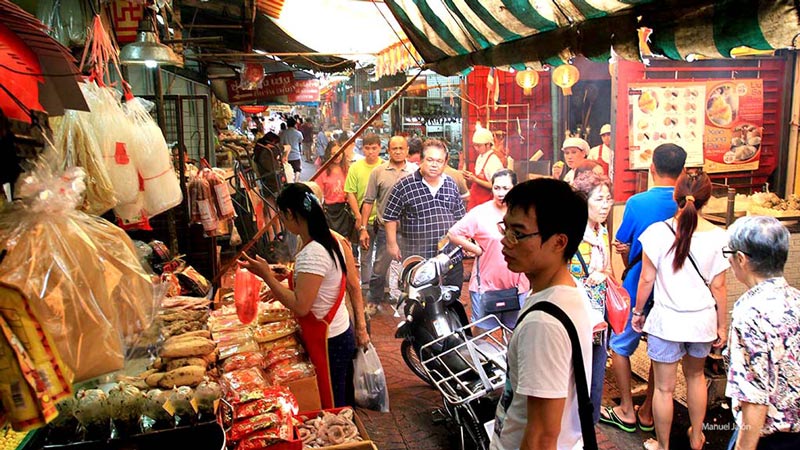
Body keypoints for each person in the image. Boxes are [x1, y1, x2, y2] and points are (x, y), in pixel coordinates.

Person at [239, 183, 367, 409]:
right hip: (337, 331)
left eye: (282, 215)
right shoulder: (330, 240)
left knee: (333, 405)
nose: (284, 222)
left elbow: (301, 306)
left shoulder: (313, 252)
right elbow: (319, 283)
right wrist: (283, 276)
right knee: (340, 398)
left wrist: (266, 276)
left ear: (289, 213)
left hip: (329, 340)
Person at [490, 178, 592, 450]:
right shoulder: (565, 291)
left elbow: (542, 437)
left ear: (558, 242)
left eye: (518, 233)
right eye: (506, 228)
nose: (505, 241)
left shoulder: (543, 324)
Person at [631, 171, 729, 450]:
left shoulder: (656, 233)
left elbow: (646, 279)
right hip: (702, 322)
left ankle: (663, 446)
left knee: (664, 388)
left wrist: (638, 312)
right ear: (707, 200)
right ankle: (697, 436)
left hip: (667, 322)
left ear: (676, 196)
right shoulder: (719, 237)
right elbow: (719, 287)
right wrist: (722, 326)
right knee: (696, 377)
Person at [600, 143, 687, 434]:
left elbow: (625, 245)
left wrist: (625, 255)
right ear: (683, 171)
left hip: (638, 282)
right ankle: (649, 410)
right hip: (673, 286)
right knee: (660, 351)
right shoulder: (687, 203)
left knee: (619, 345)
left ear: (652, 168)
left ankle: (626, 408)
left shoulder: (637, 203)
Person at [724, 216, 800, 450]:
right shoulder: (796, 299)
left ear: (741, 259)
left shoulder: (749, 313)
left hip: (767, 439)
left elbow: (754, 398)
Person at [383, 139, 467, 299]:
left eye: (439, 161)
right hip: (419, 258)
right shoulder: (404, 186)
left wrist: (466, 243)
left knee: (451, 300)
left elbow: (460, 218)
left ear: (445, 163)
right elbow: (390, 216)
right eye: (430, 160)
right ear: (421, 160)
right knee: (418, 303)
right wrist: (392, 244)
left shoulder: (450, 184)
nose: (434, 165)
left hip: (450, 256)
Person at [448, 169, 529, 329]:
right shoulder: (480, 212)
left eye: (506, 188)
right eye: (496, 188)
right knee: (483, 332)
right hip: (485, 286)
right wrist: (476, 249)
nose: (500, 193)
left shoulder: (525, 213)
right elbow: (453, 233)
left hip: (519, 286)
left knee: (517, 331)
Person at [569, 171, 614, 425]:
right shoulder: (569, 234)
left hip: (597, 316)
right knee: (573, 371)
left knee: (595, 368)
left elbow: (609, 269)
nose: (606, 205)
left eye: (608, 199)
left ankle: (588, 424)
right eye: (599, 199)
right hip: (574, 314)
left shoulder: (602, 232)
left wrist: (603, 274)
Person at [360, 136, 417, 313]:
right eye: (394, 148)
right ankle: (373, 301)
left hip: (410, 229)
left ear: (407, 150)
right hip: (385, 229)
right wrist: (363, 228)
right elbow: (368, 201)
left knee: (413, 267)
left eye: (401, 148)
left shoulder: (416, 172)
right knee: (379, 267)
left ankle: (413, 303)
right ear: (388, 150)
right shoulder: (378, 172)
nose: (398, 151)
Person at [344, 133, 383, 289]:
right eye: (367, 148)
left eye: (374, 148)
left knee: (383, 256)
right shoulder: (356, 167)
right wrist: (359, 217)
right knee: (365, 254)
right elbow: (350, 193)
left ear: (380, 148)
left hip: (382, 220)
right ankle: (366, 285)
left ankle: (383, 288)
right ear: (362, 148)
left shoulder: (385, 167)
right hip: (364, 220)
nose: (371, 152)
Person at [317, 141, 355, 241]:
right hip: (329, 211)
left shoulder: (348, 170)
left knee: (345, 240)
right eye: (333, 153)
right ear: (328, 154)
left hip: (345, 210)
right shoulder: (322, 172)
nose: (337, 156)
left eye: (339, 152)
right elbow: (318, 194)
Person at [254, 131, 286, 240]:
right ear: (270, 142)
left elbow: (282, 148)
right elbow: (271, 169)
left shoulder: (265, 151)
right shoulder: (265, 153)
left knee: (273, 211)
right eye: (275, 143)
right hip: (270, 183)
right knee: (272, 211)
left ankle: (276, 236)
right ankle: (272, 237)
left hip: (270, 183)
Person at [463, 127, 504, 210]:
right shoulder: (480, 157)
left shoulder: (493, 161)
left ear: (488, 144)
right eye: (475, 145)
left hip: (486, 204)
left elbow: (496, 185)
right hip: (476, 202)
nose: (476, 148)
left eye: (479, 146)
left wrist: (475, 180)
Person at [281, 117, 304, 182]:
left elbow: (281, 144)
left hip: (286, 157)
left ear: (287, 124)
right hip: (296, 155)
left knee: (287, 173)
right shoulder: (298, 133)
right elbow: (300, 141)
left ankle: (290, 184)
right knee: (297, 170)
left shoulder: (283, 133)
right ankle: (296, 183)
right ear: (294, 124)